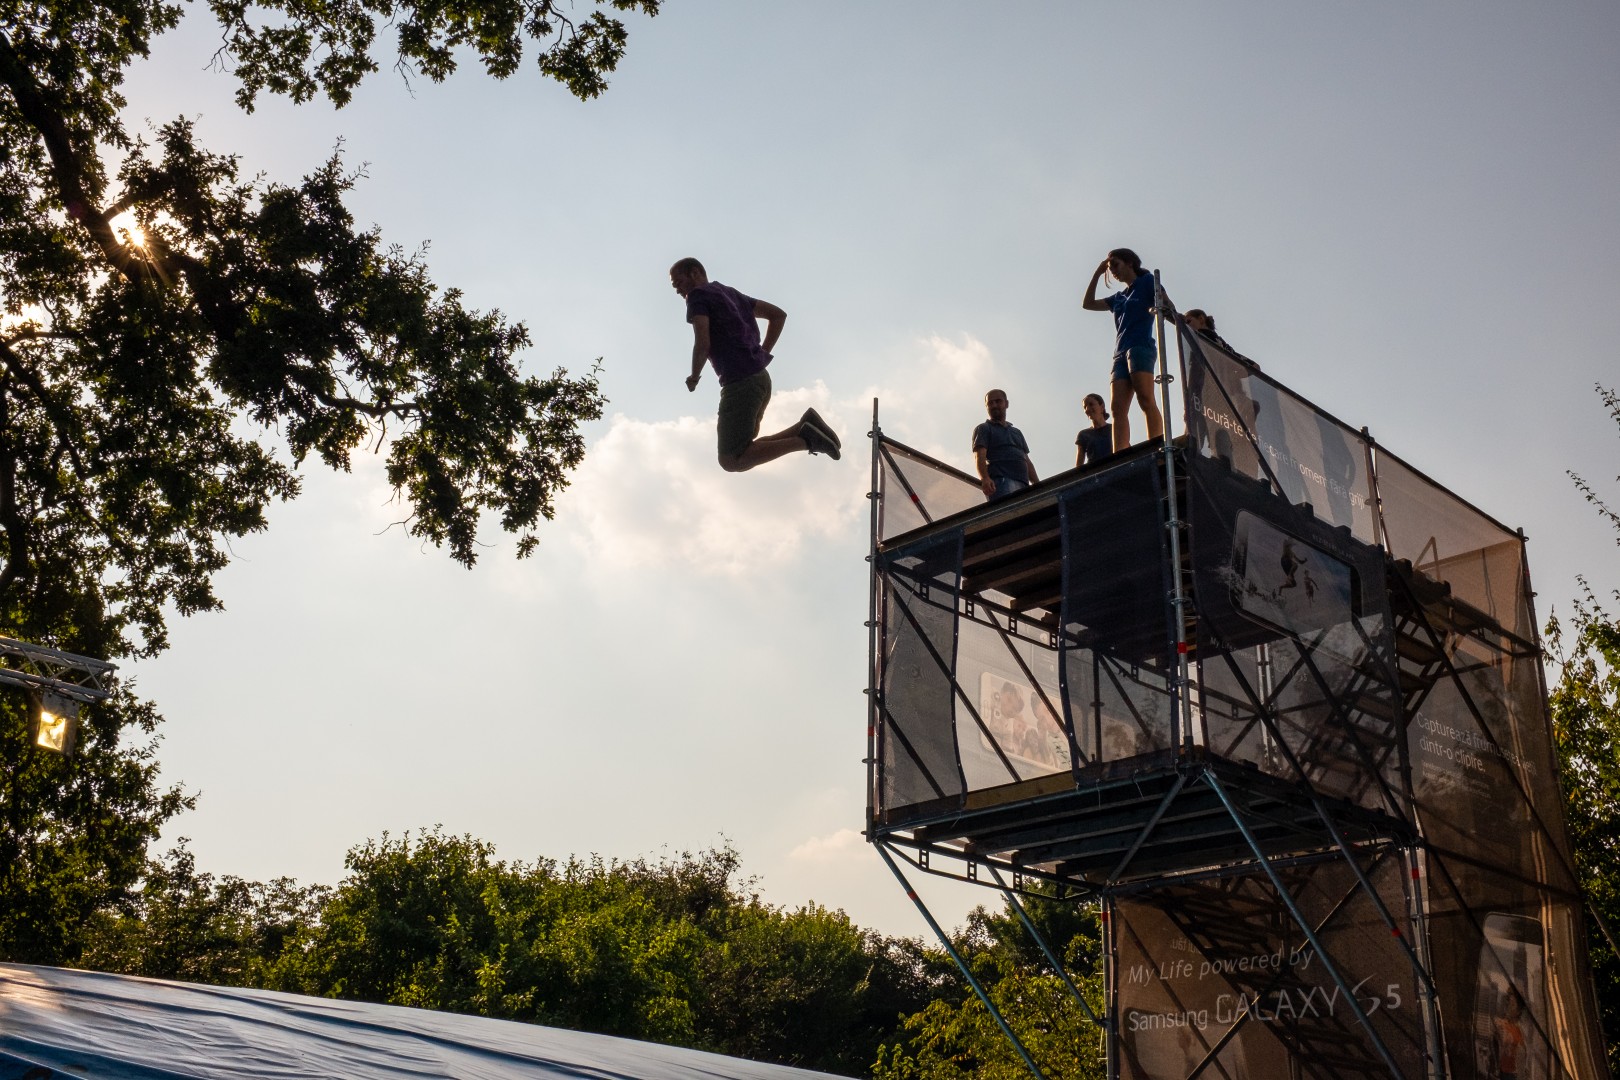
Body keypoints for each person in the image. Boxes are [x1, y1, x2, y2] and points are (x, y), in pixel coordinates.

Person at [670, 258, 840, 471]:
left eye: (679, 283)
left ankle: (807, 440)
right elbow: (777, 315)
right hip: (760, 379)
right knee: (743, 450)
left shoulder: (697, 297)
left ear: (695, 273)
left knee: (732, 459)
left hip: (740, 383)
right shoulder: (729, 293)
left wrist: (694, 376)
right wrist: (762, 353)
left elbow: (703, 342)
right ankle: (804, 428)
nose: (677, 290)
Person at [1083, 248, 1164, 453]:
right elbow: (1088, 304)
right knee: (1117, 408)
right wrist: (1097, 274)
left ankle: (1156, 443)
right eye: (1110, 268)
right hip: (1120, 352)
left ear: (1130, 263)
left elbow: (1166, 304)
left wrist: (1180, 323)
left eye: (1116, 265)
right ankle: (1120, 452)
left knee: (1145, 398)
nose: (1114, 271)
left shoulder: (1146, 282)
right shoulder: (1119, 297)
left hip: (1140, 346)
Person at [972, 389, 1038, 500]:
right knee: (1011, 514)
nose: (994, 405)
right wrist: (985, 478)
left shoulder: (1017, 432)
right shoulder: (984, 428)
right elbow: (979, 456)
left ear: (1006, 404)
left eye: (998, 401)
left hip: (1024, 484)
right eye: (990, 403)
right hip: (1002, 482)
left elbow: (1026, 460)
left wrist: (1037, 484)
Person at [1185, 308, 1261, 371]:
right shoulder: (1218, 341)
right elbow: (1255, 366)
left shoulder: (1202, 335)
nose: (1187, 326)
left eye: (1188, 322)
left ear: (1201, 319)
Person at [1075, 392, 1112, 467]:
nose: (1087, 409)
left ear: (1102, 407)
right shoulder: (1083, 434)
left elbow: (1126, 448)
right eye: (1085, 407)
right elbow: (1079, 465)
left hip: (1114, 468)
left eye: (1091, 404)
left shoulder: (1114, 428)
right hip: (1094, 472)